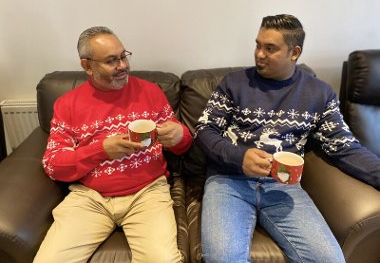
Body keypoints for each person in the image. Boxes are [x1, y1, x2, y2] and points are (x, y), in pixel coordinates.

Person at [194, 14, 380, 263]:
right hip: (229, 181)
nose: (259, 54)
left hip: (283, 185)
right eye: (258, 45)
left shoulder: (319, 93)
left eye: (270, 48)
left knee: (330, 260)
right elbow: (204, 131)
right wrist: (239, 156)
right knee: (222, 259)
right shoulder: (233, 84)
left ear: (294, 52)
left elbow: (344, 146)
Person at [33, 26, 192, 263]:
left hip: (147, 192)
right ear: (87, 66)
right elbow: (54, 165)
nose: (123, 66)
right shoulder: (67, 105)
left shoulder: (150, 92)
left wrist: (180, 135)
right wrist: (101, 150)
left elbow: (182, 145)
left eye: (123, 56)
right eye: (111, 61)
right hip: (91, 197)